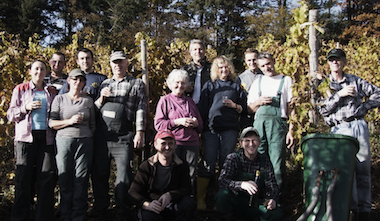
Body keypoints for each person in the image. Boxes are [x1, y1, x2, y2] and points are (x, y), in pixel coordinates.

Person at [318, 48, 380, 220]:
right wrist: (339, 94)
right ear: (328, 63)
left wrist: (365, 107)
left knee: (363, 168)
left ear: (344, 62)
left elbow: (378, 93)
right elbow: (322, 109)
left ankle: (364, 210)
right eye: (331, 60)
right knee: (345, 171)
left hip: (358, 125)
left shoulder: (355, 81)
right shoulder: (325, 85)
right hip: (339, 130)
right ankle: (350, 209)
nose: (335, 62)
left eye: (338, 59)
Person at [90, 50, 147, 221]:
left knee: (124, 174)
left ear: (127, 63)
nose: (118, 65)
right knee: (99, 173)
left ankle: (123, 210)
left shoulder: (136, 83)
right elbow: (94, 109)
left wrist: (140, 132)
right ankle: (100, 210)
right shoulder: (104, 84)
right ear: (110, 65)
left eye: (121, 62)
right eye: (114, 62)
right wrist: (101, 98)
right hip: (103, 136)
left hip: (123, 136)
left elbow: (141, 108)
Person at [7, 60, 56, 221]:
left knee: (46, 179)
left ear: (46, 72)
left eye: (42, 69)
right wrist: (25, 108)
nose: (39, 72)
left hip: (46, 139)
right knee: (23, 179)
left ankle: (44, 217)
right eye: (36, 69)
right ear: (30, 71)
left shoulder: (51, 91)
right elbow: (10, 114)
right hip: (26, 139)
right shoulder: (21, 89)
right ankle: (19, 217)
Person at [197, 55, 247, 210]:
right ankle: (200, 200)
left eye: (226, 67)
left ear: (230, 68)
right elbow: (202, 109)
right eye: (220, 67)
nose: (224, 69)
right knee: (208, 163)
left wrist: (234, 106)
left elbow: (244, 108)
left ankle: (223, 199)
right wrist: (200, 129)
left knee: (226, 163)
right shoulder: (210, 85)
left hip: (230, 130)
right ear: (216, 70)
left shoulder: (236, 86)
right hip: (211, 130)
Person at [49, 69, 96, 221]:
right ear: (68, 80)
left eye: (81, 80)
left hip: (84, 142)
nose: (78, 82)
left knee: (81, 179)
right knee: (65, 178)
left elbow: (93, 124)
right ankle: (65, 215)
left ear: (84, 83)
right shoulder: (60, 99)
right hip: (64, 141)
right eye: (75, 79)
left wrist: (86, 136)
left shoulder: (88, 101)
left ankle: (79, 216)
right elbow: (52, 123)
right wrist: (69, 122)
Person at [247, 52, 294, 196]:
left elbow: (292, 108)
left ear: (274, 61)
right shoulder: (258, 82)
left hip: (278, 126)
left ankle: (275, 197)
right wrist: (259, 102)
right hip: (259, 126)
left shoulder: (286, 80)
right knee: (257, 160)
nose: (266, 68)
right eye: (262, 66)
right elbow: (250, 109)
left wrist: (291, 130)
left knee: (277, 163)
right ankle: (258, 196)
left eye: (268, 64)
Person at [215, 127, 282, 221]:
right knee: (222, 195)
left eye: (254, 140)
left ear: (259, 143)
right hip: (236, 201)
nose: (251, 144)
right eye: (247, 140)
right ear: (241, 143)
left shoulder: (264, 160)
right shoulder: (233, 158)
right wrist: (241, 184)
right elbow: (222, 181)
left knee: (276, 213)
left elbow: (272, 184)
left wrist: (272, 199)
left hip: (256, 203)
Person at [128, 130, 196, 221]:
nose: (167, 147)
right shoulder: (147, 166)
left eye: (170, 144)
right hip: (153, 205)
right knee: (148, 217)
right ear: (156, 145)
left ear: (175, 145)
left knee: (189, 203)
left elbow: (187, 189)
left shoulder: (181, 165)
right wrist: (146, 204)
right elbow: (133, 192)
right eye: (163, 143)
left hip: (173, 204)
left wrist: (171, 195)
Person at [154, 69, 203, 189]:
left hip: (192, 143)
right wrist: (177, 122)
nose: (180, 85)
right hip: (173, 144)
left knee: (190, 174)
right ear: (171, 83)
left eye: (183, 83)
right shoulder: (165, 101)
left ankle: (187, 200)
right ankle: (169, 201)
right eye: (177, 82)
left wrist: (195, 124)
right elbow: (158, 125)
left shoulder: (190, 101)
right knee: (171, 173)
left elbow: (201, 126)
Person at [236, 48, 263, 128]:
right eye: (249, 60)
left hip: (262, 114)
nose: (252, 63)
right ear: (245, 61)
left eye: (254, 59)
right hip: (246, 117)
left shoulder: (265, 76)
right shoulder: (241, 78)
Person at [181, 39, 211, 104]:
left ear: (204, 51)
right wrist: (184, 88)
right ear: (191, 53)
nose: (198, 51)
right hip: (189, 107)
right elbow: (175, 89)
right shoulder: (184, 70)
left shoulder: (212, 69)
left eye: (200, 49)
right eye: (195, 49)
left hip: (208, 108)